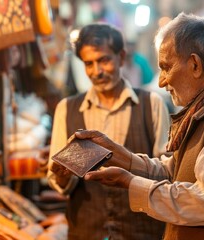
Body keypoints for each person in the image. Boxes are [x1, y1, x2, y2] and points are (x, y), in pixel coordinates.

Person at [71, 13, 204, 239]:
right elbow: (175, 173)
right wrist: (121, 157)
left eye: (166, 67)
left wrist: (131, 183)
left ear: (195, 65)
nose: (161, 81)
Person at [47, 23, 171, 239]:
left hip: (142, 231)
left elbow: (167, 173)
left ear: (121, 57)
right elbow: (60, 184)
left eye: (104, 60)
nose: (97, 71)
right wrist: (61, 176)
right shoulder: (66, 109)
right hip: (87, 230)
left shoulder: (152, 104)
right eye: (89, 64)